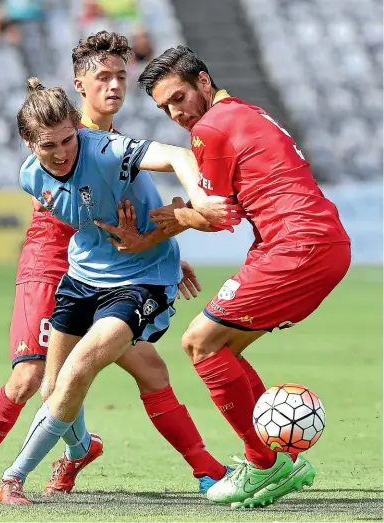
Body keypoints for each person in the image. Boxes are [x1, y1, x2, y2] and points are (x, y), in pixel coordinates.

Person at [0, 33, 233, 499]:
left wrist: (162, 253)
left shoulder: (111, 146)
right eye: (104, 77)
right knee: (33, 376)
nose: (116, 86)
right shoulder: (57, 136)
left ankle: (200, 469)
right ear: (79, 85)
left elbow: (134, 212)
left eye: (122, 76)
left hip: (113, 270)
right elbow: (80, 210)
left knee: (148, 372)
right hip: (53, 262)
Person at [128, 46, 351, 509]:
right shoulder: (245, 113)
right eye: (165, 107)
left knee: (199, 342)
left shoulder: (210, 127)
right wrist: (182, 213)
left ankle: (264, 463)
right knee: (223, 347)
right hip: (311, 243)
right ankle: (274, 456)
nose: (175, 112)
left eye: (179, 97)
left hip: (298, 246)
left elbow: (217, 216)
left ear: (204, 83)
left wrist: (174, 217)